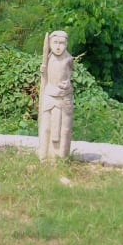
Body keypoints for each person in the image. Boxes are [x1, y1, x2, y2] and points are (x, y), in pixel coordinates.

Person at [38, 31, 73, 160]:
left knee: (63, 129)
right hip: (49, 95)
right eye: (55, 43)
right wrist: (43, 71)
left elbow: (68, 77)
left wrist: (67, 84)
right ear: (50, 44)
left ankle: (60, 156)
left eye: (62, 43)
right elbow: (46, 78)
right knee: (46, 127)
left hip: (62, 97)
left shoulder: (68, 59)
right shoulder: (48, 59)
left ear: (66, 44)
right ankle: (43, 154)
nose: (58, 46)